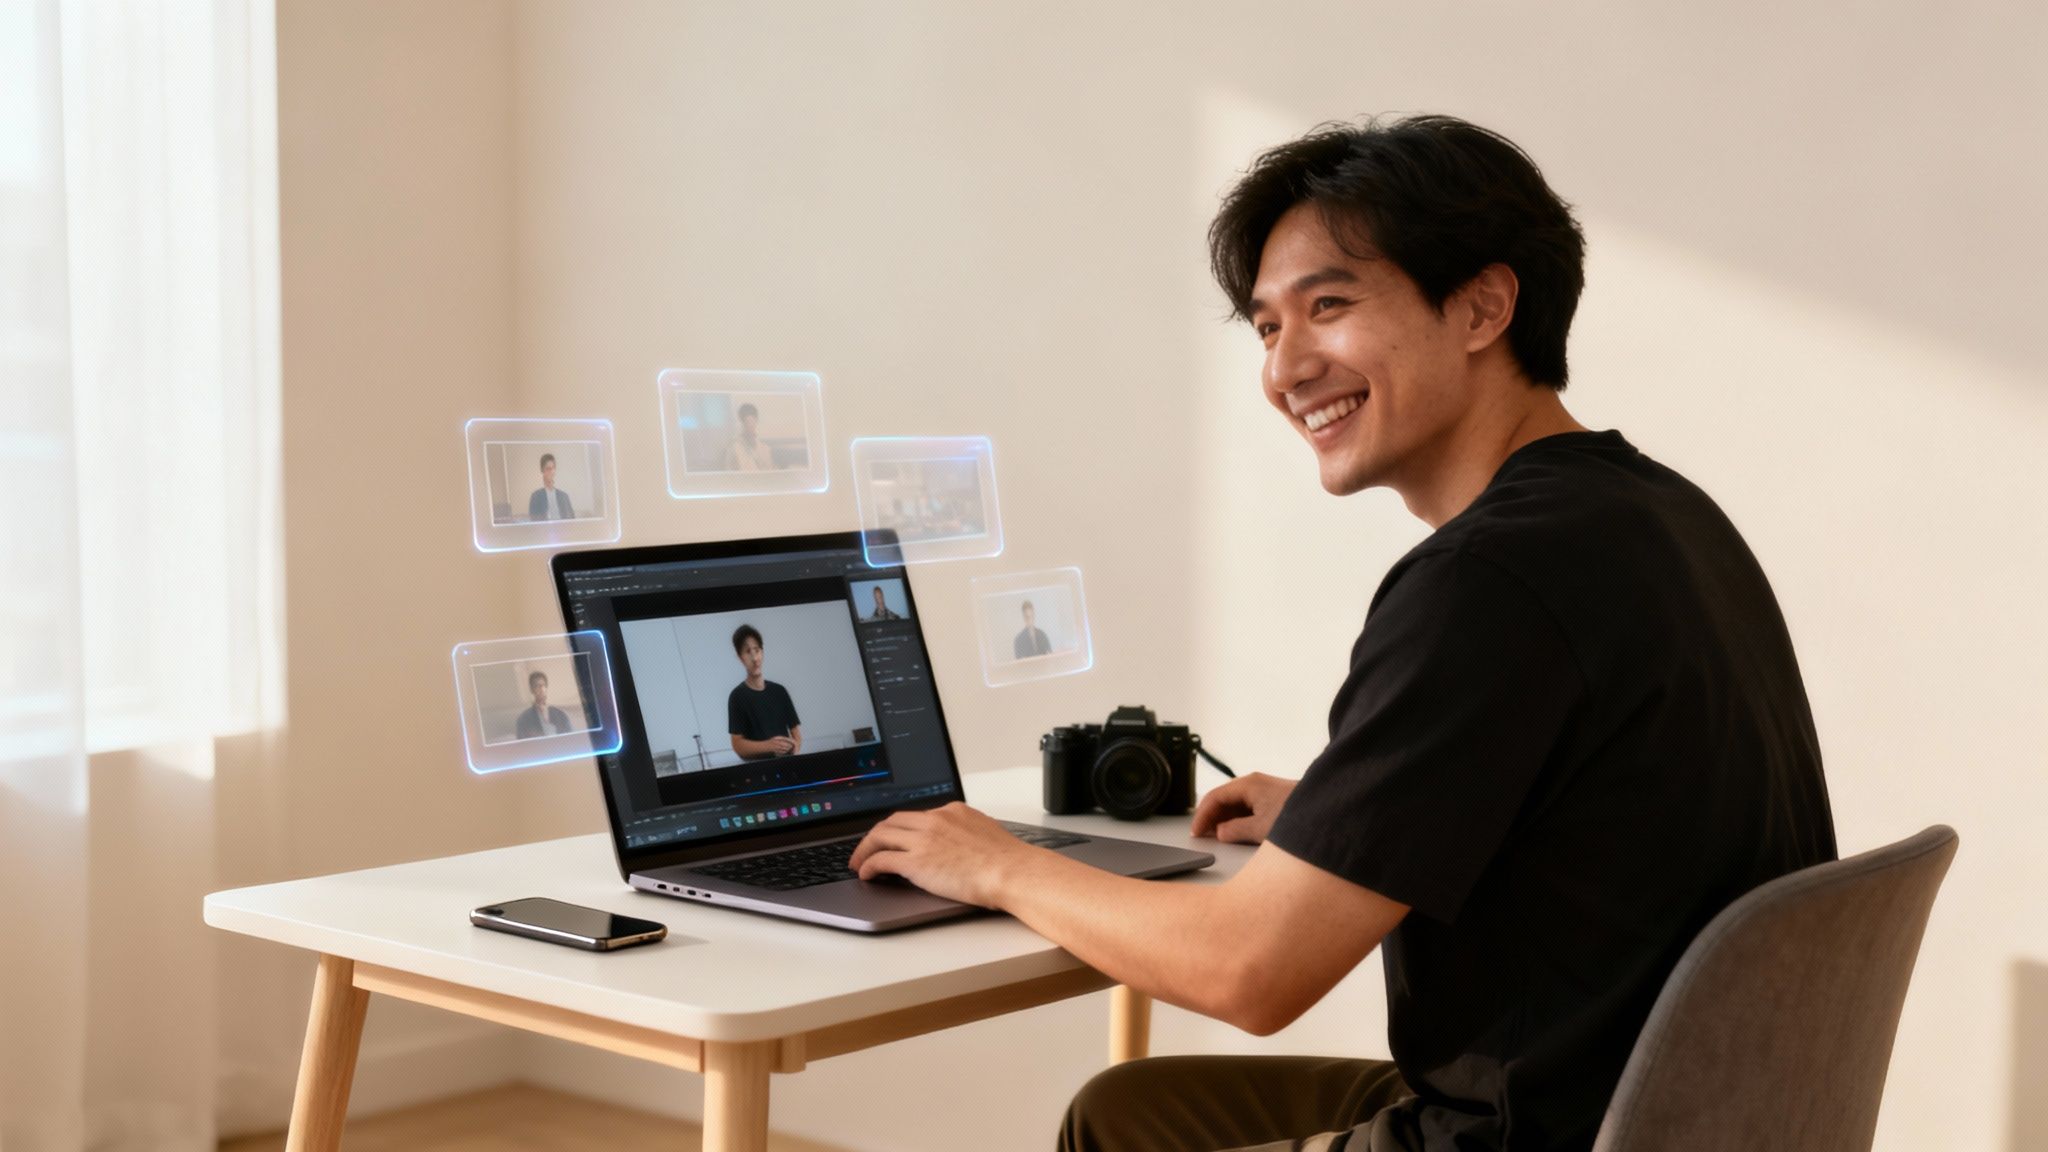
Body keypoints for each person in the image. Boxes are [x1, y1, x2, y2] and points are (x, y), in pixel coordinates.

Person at [848, 114, 1836, 1152]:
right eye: (1268, 328)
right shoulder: (1653, 511)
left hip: (1536, 1132)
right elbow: (1594, 803)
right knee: (1121, 1113)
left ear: (1481, 307)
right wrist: (1347, 818)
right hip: (1666, 1107)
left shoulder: (1485, 580)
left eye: (1328, 306)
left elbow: (1247, 972)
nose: (1286, 369)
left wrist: (997, 863)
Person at [727, 624, 803, 760]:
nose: (755, 658)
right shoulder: (737, 696)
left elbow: (796, 735)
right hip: (759, 772)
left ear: (762, 652)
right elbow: (737, 745)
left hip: (788, 767)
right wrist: (769, 745)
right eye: (748, 652)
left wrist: (794, 746)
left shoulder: (780, 691)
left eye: (757, 650)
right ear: (740, 657)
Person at [514, 670, 575, 739]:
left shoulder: (560, 715)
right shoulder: (524, 719)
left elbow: (571, 739)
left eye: (544, 685)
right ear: (532, 690)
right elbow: (523, 744)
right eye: (537, 686)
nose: (542, 689)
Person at [724, 402, 779, 471]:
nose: (750, 426)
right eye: (747, 423)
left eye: (753, 423)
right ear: (742, 423)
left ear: (756, 422)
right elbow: (728, 474)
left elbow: (771, 471)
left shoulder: (764, 449)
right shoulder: (734, 449)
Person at [527, 452, 576, 521]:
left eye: (553, 468)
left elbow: (572, 520)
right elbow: (534, 522)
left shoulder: (564, 496)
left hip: (564, 530)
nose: (552, 472)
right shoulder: (535, 497)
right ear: (542, 471)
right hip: (544, 530)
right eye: (548, 469)